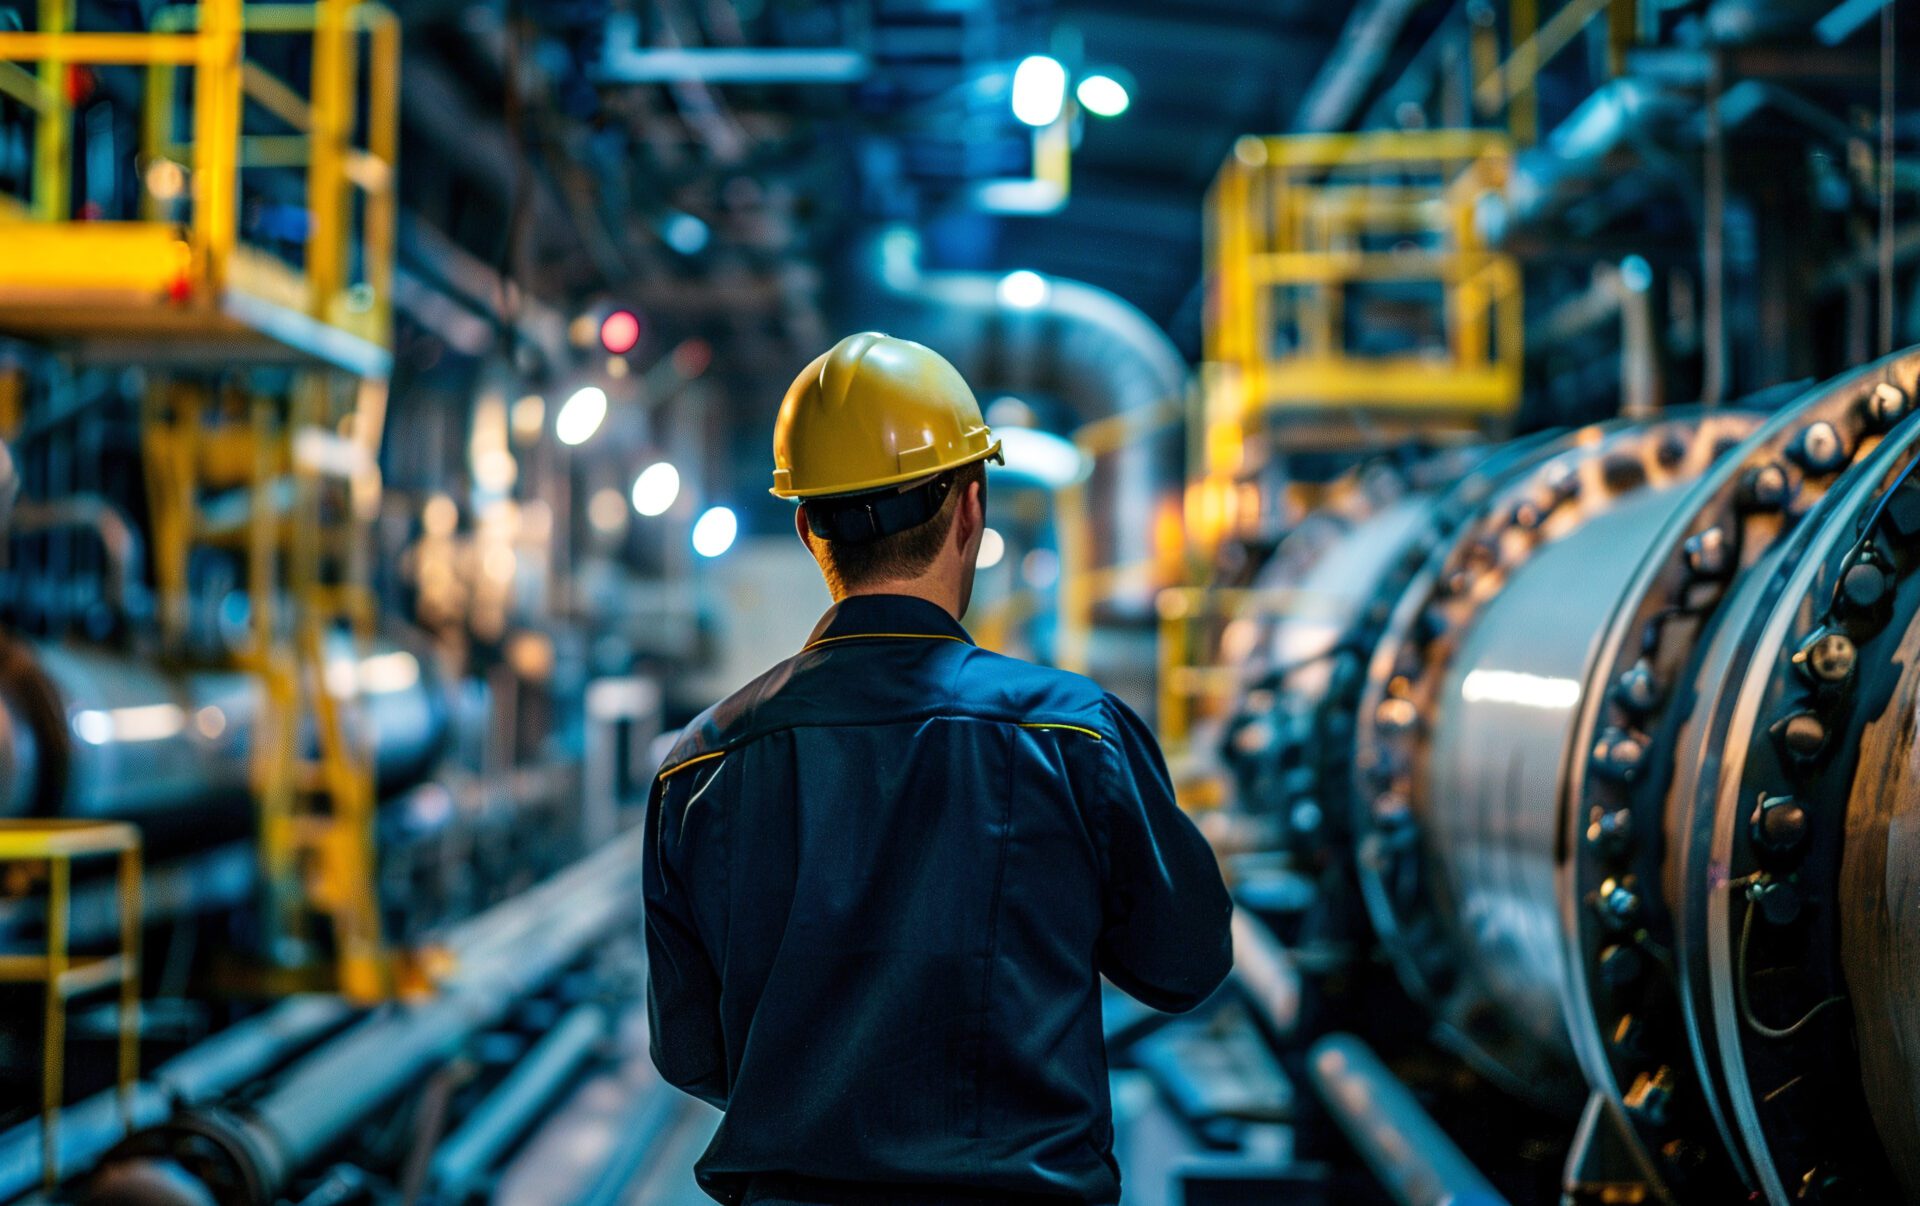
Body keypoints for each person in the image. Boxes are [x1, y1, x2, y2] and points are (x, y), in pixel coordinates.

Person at [644, 332, 1234, 1206]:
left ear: (809, 528)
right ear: (971, 507)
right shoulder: (1075, 736)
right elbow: (1184, 963)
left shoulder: (701, 764)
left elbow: (691, 1052)